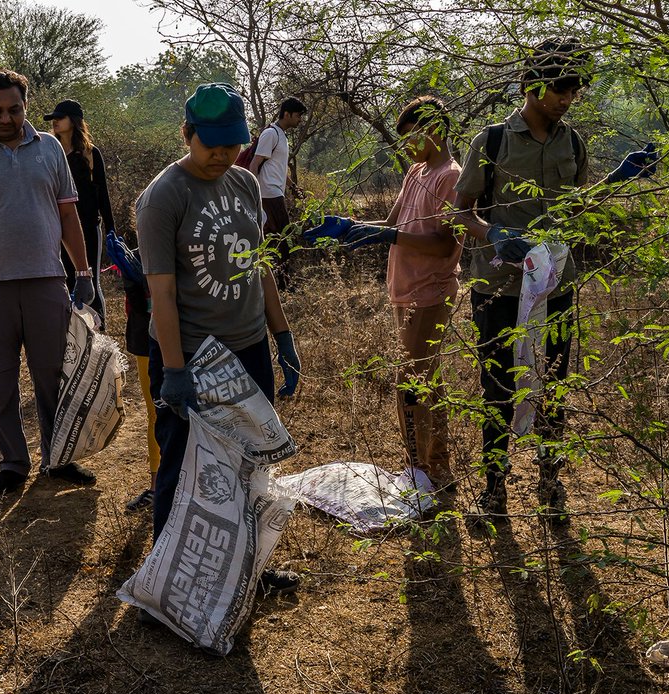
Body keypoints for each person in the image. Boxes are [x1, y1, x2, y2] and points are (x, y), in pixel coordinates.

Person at [451, 37, 657, 517]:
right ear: (532, 84)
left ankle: (550, 485)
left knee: (553, 385)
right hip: (499, 288)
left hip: (556, 286)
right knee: (498, 387)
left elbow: (578, 209)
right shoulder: (493, 140)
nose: (568, 97)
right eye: (560, 87)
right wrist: (493, 233)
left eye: (575, 89)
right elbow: (460, 213)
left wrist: (618, 181)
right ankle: (494, 491)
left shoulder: (574, 142)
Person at [136, 82, 303, 600]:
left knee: (250, 466)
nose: (222, 155)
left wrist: (282, 335)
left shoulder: (244, 185)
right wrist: (175, 369)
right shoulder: (164, 196)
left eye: (232, 144)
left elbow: (259, 268)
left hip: (247, 347)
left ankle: (247, 565)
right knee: (182, 468)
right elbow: (160, 295)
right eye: (211, 144)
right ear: (187, 135)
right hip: (195, 357)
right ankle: (167, 582)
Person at [0, 70, 96, 496]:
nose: (5, 118)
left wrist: (83, 273)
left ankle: (58, 458)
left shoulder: (48, 148)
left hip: (47, 280)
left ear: (26, 106)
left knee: (52, 377)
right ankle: (13, 463)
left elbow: (67, 214)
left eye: (14, 109)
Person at [303, 96, 463, 495]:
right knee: (428, 380)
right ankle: (436, 468)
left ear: (434, 130)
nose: (408, 146)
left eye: (412, 136)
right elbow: (391, 224)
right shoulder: (415, 171)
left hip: (431, 291)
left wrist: (387, 235)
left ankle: (417, 469)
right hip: (403, 290)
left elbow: (444, 245)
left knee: (409, 382)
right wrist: (350, 229)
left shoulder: (451, 176)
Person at [46, 99, 116, 328]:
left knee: (89, 280)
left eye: (60, 117)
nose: (55, 121)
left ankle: (99, 336)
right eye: (54, 118)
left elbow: (102, 195)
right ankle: (75, 337)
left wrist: (111, 231)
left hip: (88, 227)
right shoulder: (49, 151)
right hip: (58, 228)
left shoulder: (89, 153)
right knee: (66, 281)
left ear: (74, 121)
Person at [105, 230, 160, 512]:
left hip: (186, 339)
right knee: (157, 413)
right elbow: (138, 308)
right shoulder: (134, 258)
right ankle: (157, 487)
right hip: (147, 342)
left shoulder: (191, 247)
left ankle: (165, 486)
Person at [249, 96, 307, 289]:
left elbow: (279, 169)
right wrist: (254, 195)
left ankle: (276, 282)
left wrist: (292, 187)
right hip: (267, 194)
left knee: (275, 239)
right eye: (298, 115)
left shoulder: (282, 135)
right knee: (283, 238)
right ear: (287, 114)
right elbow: (255, 164)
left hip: (275, 193)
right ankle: (282, 284)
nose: (300, 120)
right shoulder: (271, 134)